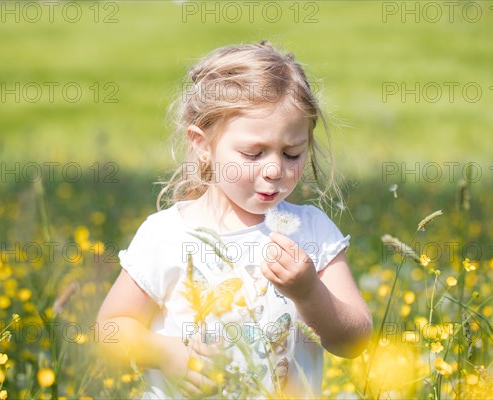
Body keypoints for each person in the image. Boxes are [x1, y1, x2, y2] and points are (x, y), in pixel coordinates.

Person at [97, 40, 372, 399]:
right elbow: (110, 330)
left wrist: (309, 293)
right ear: (202, 144)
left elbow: (353, 341)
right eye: (253, 153)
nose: (275, 169)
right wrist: (166, 353)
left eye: (292, 153)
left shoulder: (312, 231)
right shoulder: (167, 234)